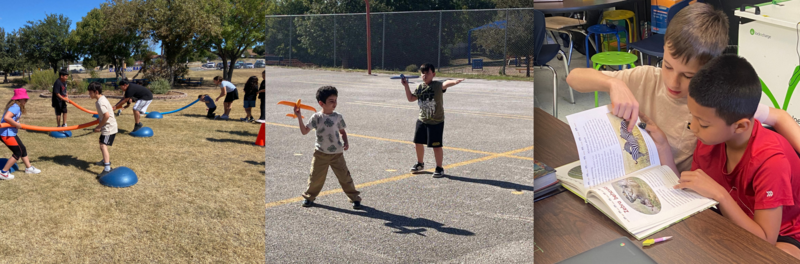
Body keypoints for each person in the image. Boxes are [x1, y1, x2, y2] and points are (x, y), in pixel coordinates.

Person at [566, 3, 800, 173]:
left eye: (688, 76)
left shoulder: (715, 102)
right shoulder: (645, 77)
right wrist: (612, 82)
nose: (673, 82)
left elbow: (779, 116)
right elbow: (574, 77)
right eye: (667, 66)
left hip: (678, 191)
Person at [645, 55, 800, 259]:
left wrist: (720, 195)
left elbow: (766, 241)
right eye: (692, 116)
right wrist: (662, 146)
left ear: (741, 126)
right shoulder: (710, 137)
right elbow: (691, 187)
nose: (693, 127)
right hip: (730, 215)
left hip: (781, 233)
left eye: (703, 123)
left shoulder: (770, 162)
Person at [294, 86, 362, 209]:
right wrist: (299, 116)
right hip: (320, 153)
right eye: (331, 101)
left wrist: (346, 141)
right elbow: (304, 131)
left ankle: (355, 198)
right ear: (321, 103)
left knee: (345, 177)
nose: (334, 103)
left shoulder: (338, 117)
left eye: (335, 100)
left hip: (337, 154)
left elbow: (342, 132)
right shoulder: (316, 117)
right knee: (315, 178)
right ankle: (309, 197)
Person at [401, 63, 463, 178]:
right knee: (417, 143)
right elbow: (411, 99)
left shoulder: (436, 86)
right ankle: (420, 163)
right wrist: (406, 86)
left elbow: (445, 84)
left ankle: (439, 168)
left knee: (436, 146)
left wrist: (454, 82)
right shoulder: (420, 87)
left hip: (436, 121)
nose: (424, 75)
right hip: (422, 120)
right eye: (422, 73)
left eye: (427, 73)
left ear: (433, 74)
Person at [0, 89, 41, 180]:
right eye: (25, 99)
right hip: (6, 134)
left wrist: (19, 125)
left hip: (10, 132)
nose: (26, 101)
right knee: (17, 152)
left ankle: (28, 168)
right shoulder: (15, 107)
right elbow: (7, 117)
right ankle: (3, 173)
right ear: (18, 99)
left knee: (22, 148)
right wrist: (17, 125)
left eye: (27, 99)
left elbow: (13, 119)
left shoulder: (17, 106)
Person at [88, 82, 118, 177]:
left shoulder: (101, 102)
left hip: (109, 127)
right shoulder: (101, 99)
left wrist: (99, 126)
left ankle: (107, 168)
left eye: (90, 92)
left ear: (96, 92)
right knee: (101, 142)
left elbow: (107, 115)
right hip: (107, 126)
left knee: (103, 146)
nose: (89, 94)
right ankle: (105, 160)